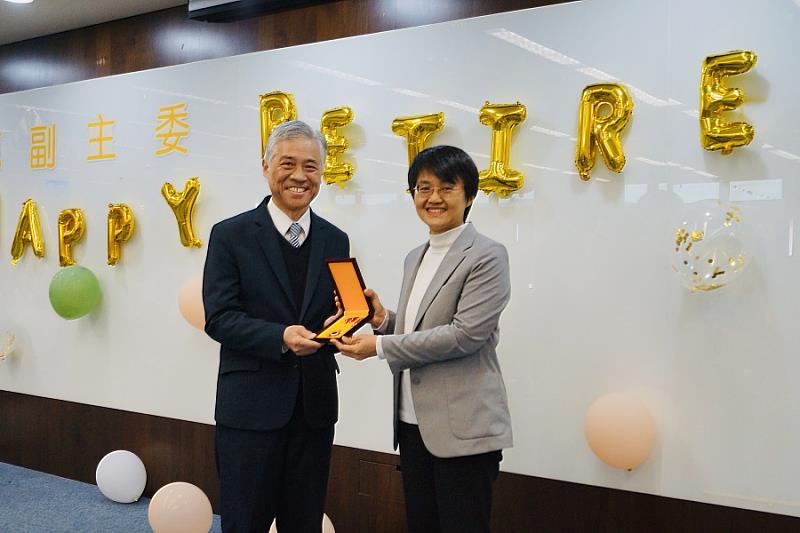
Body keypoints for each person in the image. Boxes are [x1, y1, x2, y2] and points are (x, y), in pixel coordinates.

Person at [332, 145, 513, 533]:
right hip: (413, 425)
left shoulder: (487, 255)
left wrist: (379, 346)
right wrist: (382, 320)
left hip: (463, 429)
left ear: (469, 195)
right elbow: (421, 329)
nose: (434, 198)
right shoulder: (415, 256)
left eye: (447, 187)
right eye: (423, 188)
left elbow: (465, 335)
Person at [202, 120, 348, 532]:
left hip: (314, 410)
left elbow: (333, 315)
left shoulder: (336, 239)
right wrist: (280, 337)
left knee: (304, 523)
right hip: (250, 411)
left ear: (322, 173)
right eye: (288, 163)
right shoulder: (230, 235)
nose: (300, 176)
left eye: (311, 166)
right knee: (244, 522)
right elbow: (219, 317)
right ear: (266, 166)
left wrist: (347, 322)